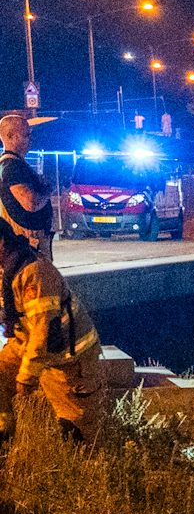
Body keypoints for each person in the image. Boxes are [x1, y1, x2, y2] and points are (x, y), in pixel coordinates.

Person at [0, 229, 102, 441]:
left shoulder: (34, 273)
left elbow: (42, 330)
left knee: (76, 427)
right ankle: (4, 436)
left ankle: (87, 464)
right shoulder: (9, 269)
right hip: (31, 345)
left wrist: (27, 378)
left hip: (70, 356)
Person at [0, 114, 53, 252]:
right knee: (37, 274)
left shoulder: (9, 164)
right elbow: (31, 203)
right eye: (26, 134)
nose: (31, 139)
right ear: (10, 135)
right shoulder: (13, 167)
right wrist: (47, 189)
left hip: (21, 241)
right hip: (27, 243)